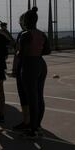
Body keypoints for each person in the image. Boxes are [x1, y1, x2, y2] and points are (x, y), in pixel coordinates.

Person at [19, 7, 51, 138]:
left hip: (29, 65)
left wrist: (18, 54)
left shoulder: (25, 35)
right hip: (41, 63)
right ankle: (37, 125)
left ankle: (33, 130)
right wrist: (37, 52)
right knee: (39, 96)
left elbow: (23, 53)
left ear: (26, 21)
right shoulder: (42, 34)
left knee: (32, 98)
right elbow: (48, 50)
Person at [12, 14, 30, 131]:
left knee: (23, 95)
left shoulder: (22, 35)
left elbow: (18, 53)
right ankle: (34, 122)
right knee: (34, 95)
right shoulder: (39, 33)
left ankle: (26, 121)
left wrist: (14, 69)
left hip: (23, 67)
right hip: (36, 66)